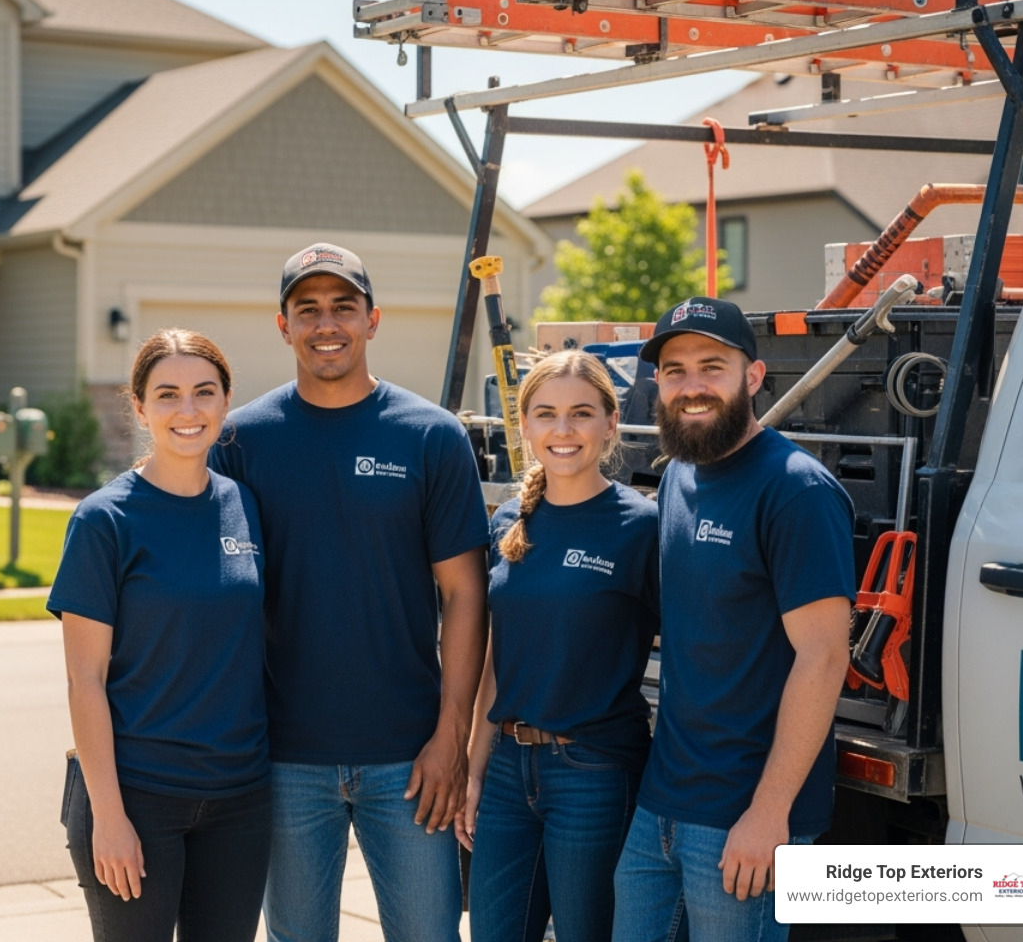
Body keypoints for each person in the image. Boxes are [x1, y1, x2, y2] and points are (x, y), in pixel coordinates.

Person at [209, 243, 489, 942]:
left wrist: (450, 738)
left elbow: (464, 595)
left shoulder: (432, 436)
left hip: (411, 757)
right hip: (283, 759)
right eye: (308, 309)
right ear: (283, 326)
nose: (326, 324)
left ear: (373, 320)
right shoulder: (240, 439)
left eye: (343, 307)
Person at [612, 297, 855, 942]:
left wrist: (769, 812)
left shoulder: (795, 491)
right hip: (663, 801)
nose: (692, 387)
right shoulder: (679, 479)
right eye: (674, 370)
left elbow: (825, 657)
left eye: (711, 366)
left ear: (752, 376)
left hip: (746, 815)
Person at [52, 329, 270, 942]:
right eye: (167, 394)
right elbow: (84, 679)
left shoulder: (243, 505)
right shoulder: (105, 520)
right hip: (138, 796)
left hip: (239, 800)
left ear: (226, 403)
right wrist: (110, 817)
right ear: (140, 406)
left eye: (204, 392)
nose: (188, 410)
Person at [459, 350, 659, 942]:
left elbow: (691, 647)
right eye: (545, 414)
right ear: (525, 425)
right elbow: (498, 656)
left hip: (593, 768)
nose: (563, 430)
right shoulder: (507, 520)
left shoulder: (639, 525)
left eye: (581, 413)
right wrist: (474, 770)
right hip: (505, 769)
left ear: (610, 421)